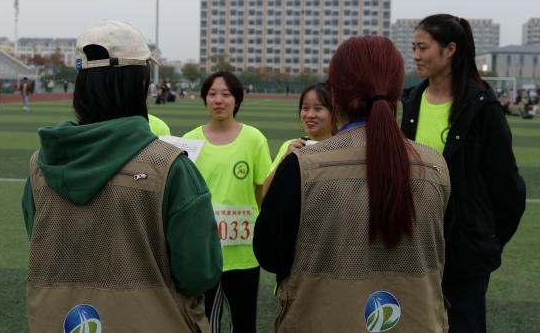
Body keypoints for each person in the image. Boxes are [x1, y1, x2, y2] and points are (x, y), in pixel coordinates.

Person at [21, 20, 221, 332]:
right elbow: (199, 273)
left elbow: (39, 240)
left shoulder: (40, 166)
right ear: (139, 83)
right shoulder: (171, 167)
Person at [254, 36, 451, 332]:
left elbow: (270, 254)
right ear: (397, 90)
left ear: (336, 92)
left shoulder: (301, 166)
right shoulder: (436, 166)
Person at [402, 14, 526, 332]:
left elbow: (508, 190)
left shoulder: (483, 108)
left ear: (450, 50)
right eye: (413, 48)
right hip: (413, 249)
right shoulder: (410, 102)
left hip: (464, 256)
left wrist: (484, 240)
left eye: (422, 47)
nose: (416, 55)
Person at [183, 71, 272, 333]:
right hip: (204, 253)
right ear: (204, 99)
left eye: (226, 94)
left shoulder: (254, 139)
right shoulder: (189, 141)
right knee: (203, 324)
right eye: (212, 94)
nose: (218, 100)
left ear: (237, 100)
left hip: (243, 254)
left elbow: (262, 192)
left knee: (243, 324)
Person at [263, 82, 336, 197]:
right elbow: (265, 193)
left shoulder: (345, 148)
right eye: (305, 108)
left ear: (335, 112)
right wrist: (286, 160)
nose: (310, 115)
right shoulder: (289, 146)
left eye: (318, 108)